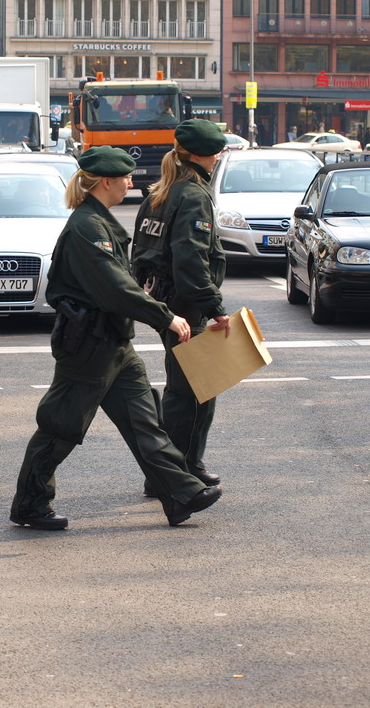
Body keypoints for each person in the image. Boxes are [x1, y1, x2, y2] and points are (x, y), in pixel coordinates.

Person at [10, 146, 222, 530]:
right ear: (105, 182)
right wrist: (165, 317)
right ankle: (30, 503)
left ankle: (180, 494)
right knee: (61, 427)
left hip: (115, 344)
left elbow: (125, 282)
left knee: (146, 423)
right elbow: (116, 288)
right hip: (88, 347)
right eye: (124, 177)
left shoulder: (99, 221)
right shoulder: (86, 228)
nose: (131, 181)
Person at [131, 119, 230, 494]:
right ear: (206, 156)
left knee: (188, 387)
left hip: (166, 301)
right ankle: (174, 472)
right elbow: (191, 259)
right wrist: (214, 305)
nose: (219, 156)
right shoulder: (192, 195)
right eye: (217, 151)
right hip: (187, 305)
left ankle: (181, 466)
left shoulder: (160, 192)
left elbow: (140, 255)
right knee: (193, 391)